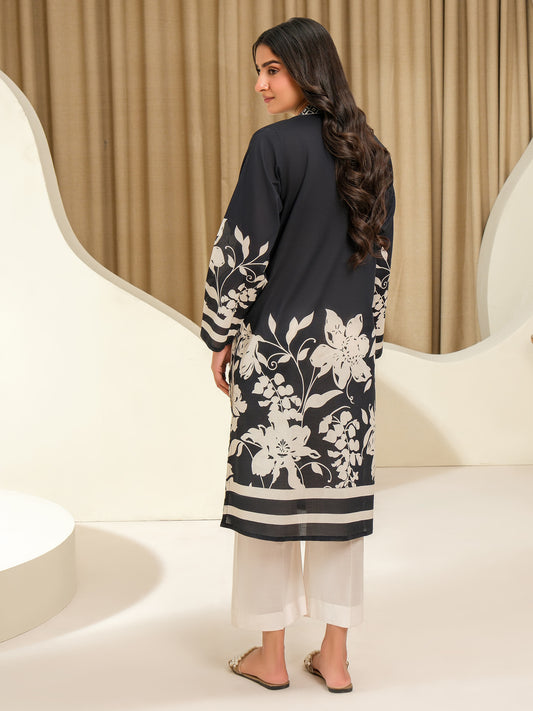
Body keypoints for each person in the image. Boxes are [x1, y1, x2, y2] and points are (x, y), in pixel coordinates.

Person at [201, 17, 395, 693]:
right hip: (345, 360)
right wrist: (365, 350)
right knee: (338, 511)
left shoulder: (272, 147)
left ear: (308, 69)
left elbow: (241, 252)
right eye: (258, 71)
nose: (260, 84)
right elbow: (379, 270)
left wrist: (219, 332)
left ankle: (272, 656)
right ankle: (335, 659)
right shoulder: (372, 153)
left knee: (268, 506)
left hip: (278, 358)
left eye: (272, 70)